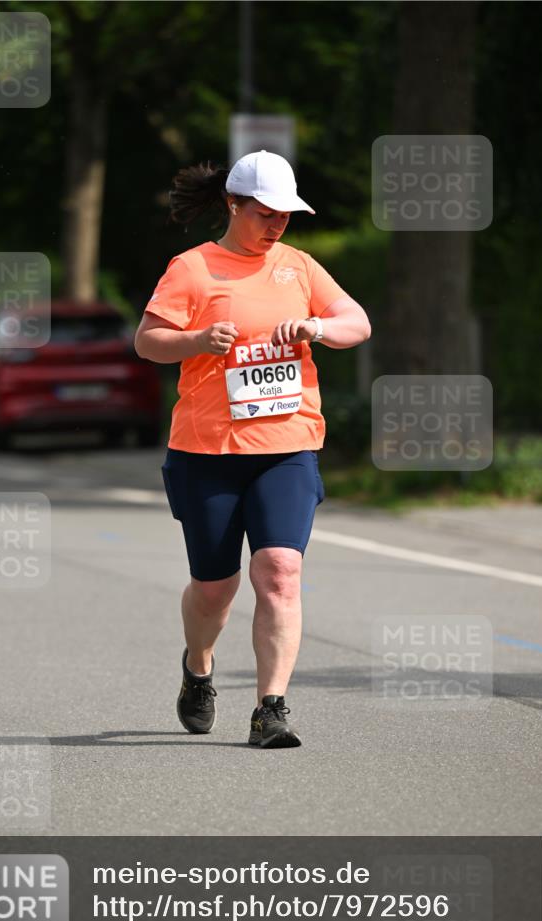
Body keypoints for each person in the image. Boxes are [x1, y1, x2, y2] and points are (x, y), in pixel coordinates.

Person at [135, 149, 371, 748]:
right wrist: (194, 339)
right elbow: (148, 342)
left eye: (285, 215)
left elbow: (356, 322)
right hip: (206, 451)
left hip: (287, 446)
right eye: (264, 213)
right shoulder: (192, 268)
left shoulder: (299, 268)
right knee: (215, 588)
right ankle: (198, 668)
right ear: (232, 205)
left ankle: (271, 708)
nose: (276, 225)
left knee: (280, 571)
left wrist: (317, 328)